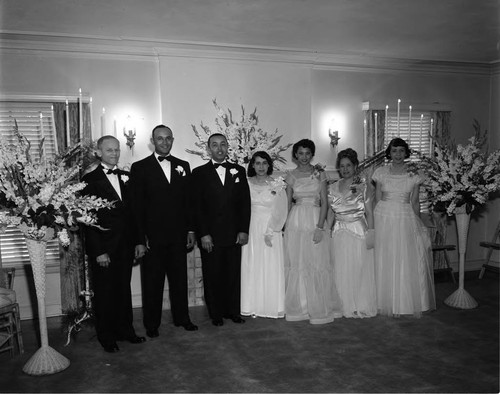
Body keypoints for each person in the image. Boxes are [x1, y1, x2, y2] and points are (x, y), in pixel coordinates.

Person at [129, 125, 197, 338]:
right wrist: (140, 238)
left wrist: (191, 230)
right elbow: (136, 207)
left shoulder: (183, 165)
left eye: (168, 138)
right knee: (152, 282)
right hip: (152, 237)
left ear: (173, 140)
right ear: (153, 141)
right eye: (160, 139)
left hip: (178, 235)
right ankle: (151, 324)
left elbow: (189, 202)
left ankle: (182, 318)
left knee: (180, 280)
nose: (165, 142)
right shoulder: (139, 167)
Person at [82, 136, 145, 353]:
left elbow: (135, 213)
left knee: (123, 290)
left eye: (117, 150)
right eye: (109, 150)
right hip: (105, 248)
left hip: (126, 245)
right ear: (98, 153)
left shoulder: (127, 177)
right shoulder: (89, 180)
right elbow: (88, 221)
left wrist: (139, 241)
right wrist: (99, 251)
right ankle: (106, 336)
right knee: (105, 293)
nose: (115, 154)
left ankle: (125, 330)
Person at [191, 133, 251, 326]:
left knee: (233, 274)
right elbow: (197, 206)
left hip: (234, 233)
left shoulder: (238, 170)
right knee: (212, 275)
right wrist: (204, 233)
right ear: (209, 149)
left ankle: (233, 311)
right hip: (211, 235)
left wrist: (243, 230)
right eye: (215, 145)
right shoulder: (199, 173)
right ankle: (216, 314)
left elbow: (244, 203)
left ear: (228, 147)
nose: (219, 148)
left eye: (223, 145)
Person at [372, 137, 436, 317]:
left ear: (406, 152)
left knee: (403, 258)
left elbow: (415, 202)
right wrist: (374, 224)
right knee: (384, 256)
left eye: (401, 150)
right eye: (394, 151)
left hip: (405, 217)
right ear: (389, 153)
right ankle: (383, 301)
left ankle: (403, 303)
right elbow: (377, 198)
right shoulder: (380, 172)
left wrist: (418, 223)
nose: (398, 154)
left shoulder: (414, 173)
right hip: (383, 216)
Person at [284, 139, 342, 324]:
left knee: (317, 262)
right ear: (295, 155)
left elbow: (325, 202)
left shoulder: (320, 173)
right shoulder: (290, 175)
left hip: (315, 217)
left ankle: (318, 306)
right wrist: (285, 227)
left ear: (312, 155)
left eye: (307, 153)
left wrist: (320, 226)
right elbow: (287, 203)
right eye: (300, 153)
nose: (304, 157)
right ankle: (300, 307)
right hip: (296, 220)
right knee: (298, 262)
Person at [327, 148, 377, 318]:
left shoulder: (364, 186)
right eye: (342, 166)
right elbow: (330, 212)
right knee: (340, 268)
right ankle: (342, 303)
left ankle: (358, 303)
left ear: (355, 166)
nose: (345, 169)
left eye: (349, 165)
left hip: (357, 230)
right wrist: (327, 231)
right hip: (339, 230)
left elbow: (369, 212)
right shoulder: (332, 187)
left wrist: (371, 232)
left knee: (358, 267)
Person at [241, 151, 287, 319]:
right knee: (251, 264)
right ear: (252, 165)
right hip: (251, 227)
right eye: (257, 163)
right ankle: (251, 304)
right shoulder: (245, 183)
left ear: (269, 165)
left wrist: (271, 230)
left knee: (270, 264)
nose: (261, 166)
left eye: (264, 163)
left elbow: (282, 210)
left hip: (271, 229)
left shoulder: (277, 184)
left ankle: (271, 305)